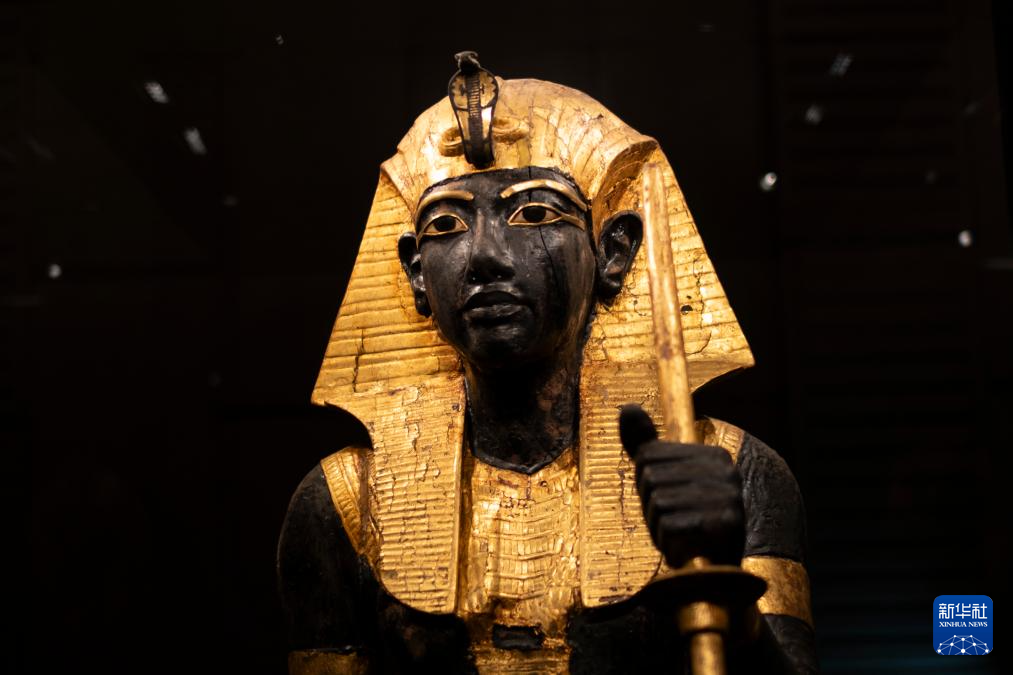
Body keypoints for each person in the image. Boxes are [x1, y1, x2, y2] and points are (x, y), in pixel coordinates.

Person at [278, 54, 817, 674]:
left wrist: (731, 601)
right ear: (415, 273)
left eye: (534, 214)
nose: (485, 255)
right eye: (447, 224)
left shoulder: (734, 473)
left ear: (614, 253)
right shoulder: (345, 504)